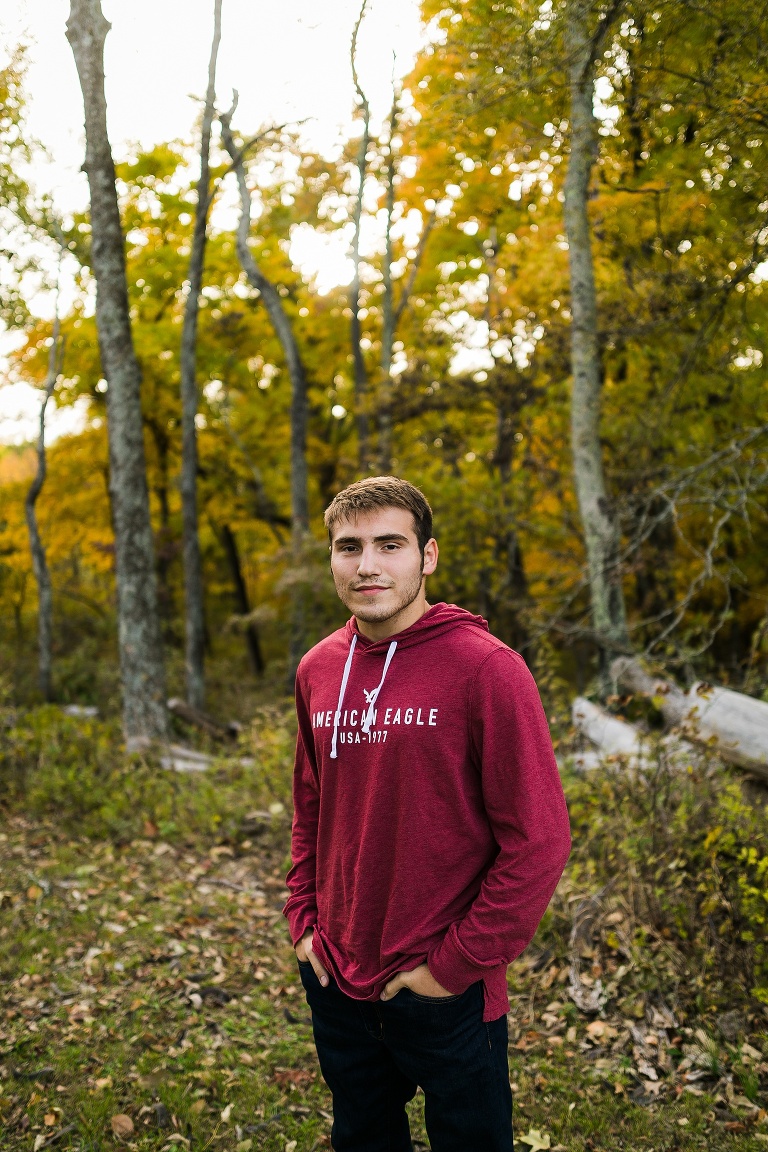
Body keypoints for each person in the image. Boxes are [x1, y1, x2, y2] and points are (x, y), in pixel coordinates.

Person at [284, 476, 571, 1152]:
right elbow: (310, 804)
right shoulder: (318, 668)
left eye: (390, 544)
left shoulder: (487, 670)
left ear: (428, 556)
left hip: (445, 985)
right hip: (337, 972)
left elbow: (539, 841)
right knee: (363, 1136)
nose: (368, 566)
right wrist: (303, 920)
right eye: (348, 547)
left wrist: (452, 968)